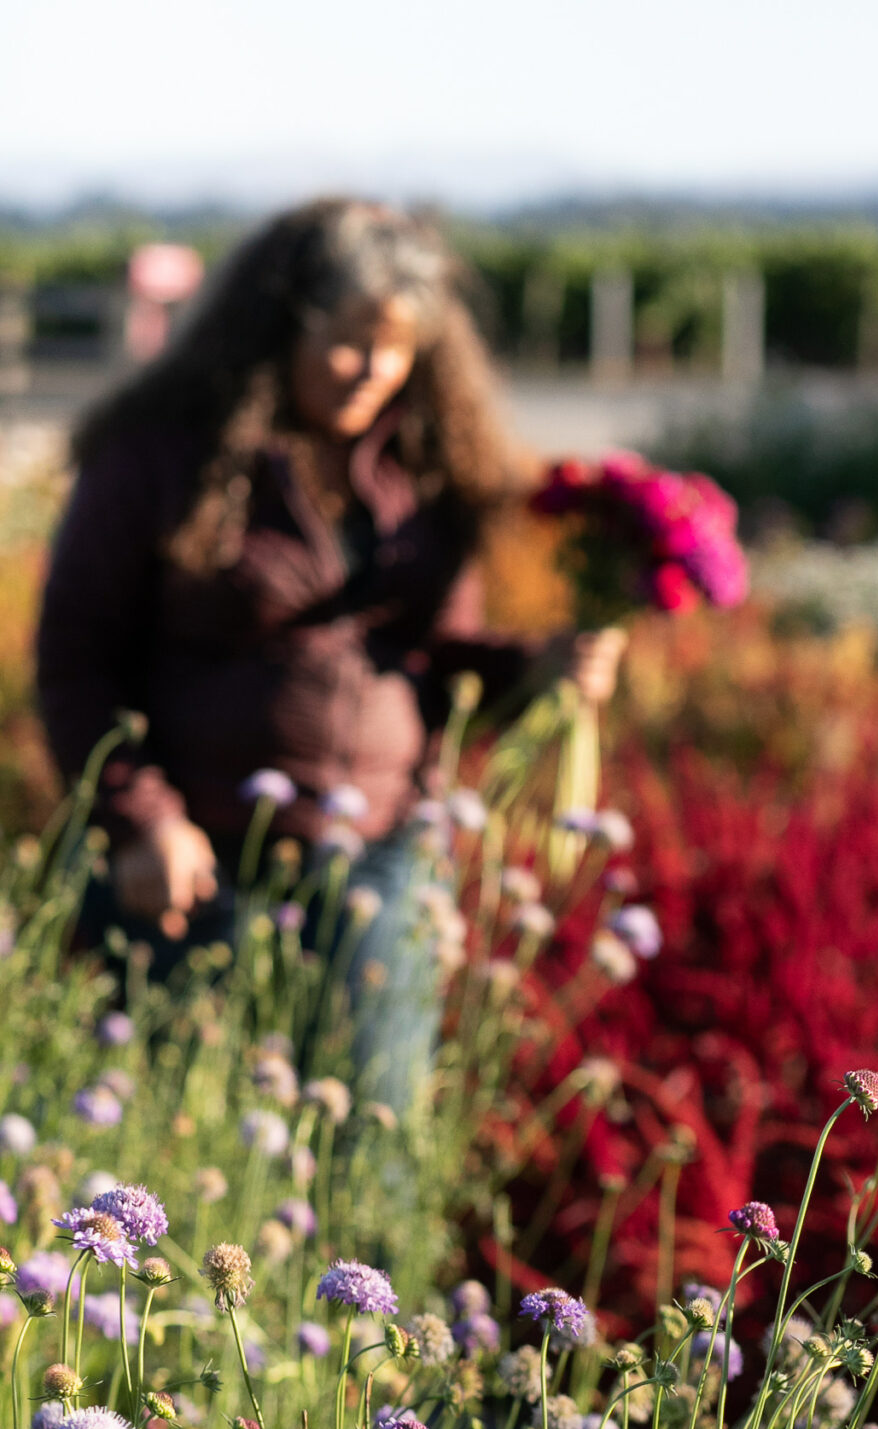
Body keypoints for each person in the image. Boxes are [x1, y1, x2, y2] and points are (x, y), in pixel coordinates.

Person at [35, 196, 623, 1109]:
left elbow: (433, 657)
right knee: (182, 1144)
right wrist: (142, 817)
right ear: (277, 327)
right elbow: (75, 660)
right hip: (194, 863)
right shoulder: (159, 458)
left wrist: (537, 667)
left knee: (370, 1136)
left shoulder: (425, 466)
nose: (374, 371)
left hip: (379, 859)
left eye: (399, 349)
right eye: (348, 341)